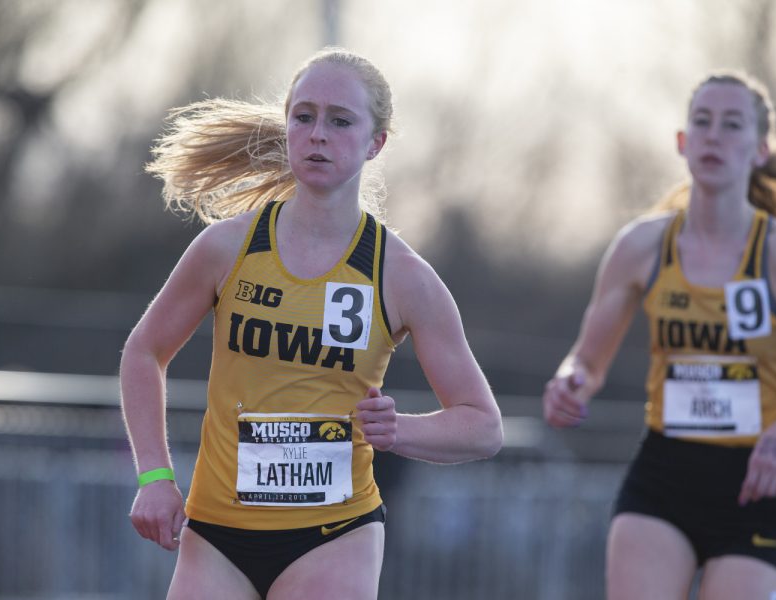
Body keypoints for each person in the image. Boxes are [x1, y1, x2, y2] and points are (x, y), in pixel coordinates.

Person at [120, 47, 503, 600]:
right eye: (304, 116)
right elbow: (143, 352)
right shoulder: (227, 247)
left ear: (377, 142)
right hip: (217, 532)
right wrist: (155, 478)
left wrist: (402, 431)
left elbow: (484, 427)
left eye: (340, 121)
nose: (318, 134)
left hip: (334, 536)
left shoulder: (402, 276)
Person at [542, 70, 776, 599]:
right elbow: (588, 362)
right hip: (665, 474)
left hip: (757, 482)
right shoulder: (641, 247)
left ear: (757, 151)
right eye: (702, 123)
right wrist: (569, 381)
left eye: (732, 125)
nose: (714, 136)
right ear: (683, 143)